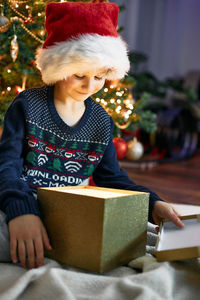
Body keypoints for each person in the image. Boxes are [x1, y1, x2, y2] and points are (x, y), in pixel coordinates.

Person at [0, 1, 184, 270]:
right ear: (58, 66)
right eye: (78, 75)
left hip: (73, 212)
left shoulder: (101, 121)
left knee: (134, 239)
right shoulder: (27, 105)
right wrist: (21, 211)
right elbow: (6, 169)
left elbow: (113, 178)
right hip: (23, 202)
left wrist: (153, 203)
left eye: (99, 77)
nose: (90, 86)